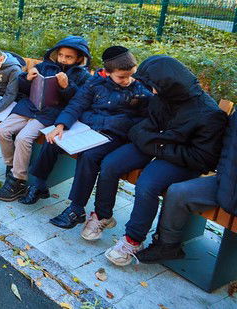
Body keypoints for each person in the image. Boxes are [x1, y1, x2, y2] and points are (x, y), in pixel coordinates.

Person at [86, 56, 228, 265]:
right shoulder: (162, 98)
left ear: (170, 86)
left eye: (154, 86)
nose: (150, 91)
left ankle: (133, 239)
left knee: (147, 183)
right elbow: (142, 127)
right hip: (158, 145)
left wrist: (158, 146)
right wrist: (156, 143)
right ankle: (102, 215)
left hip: (182, 159)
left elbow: (202, 158)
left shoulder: (208, 114)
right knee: (110, 163)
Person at [25, 46, 152, 230]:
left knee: (89, 156)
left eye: (130, 75)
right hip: (86, 128)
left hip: (112, 135)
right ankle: (39, 184)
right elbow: (77, 104)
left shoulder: (140, 91)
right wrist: (60, 125)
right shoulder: (95, 83)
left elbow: (141, 120)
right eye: (121, 77)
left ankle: (76, 209)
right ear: (107, 73)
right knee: (53, 139)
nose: (127, 80)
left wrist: (112, 124)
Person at [0, 36, 92, 202]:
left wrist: (66, 87)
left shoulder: (82, 76)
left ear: (79, 59)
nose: (63, 59)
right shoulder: (45, 66)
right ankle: (11, 166)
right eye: (61, 54)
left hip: (50, 113)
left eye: (69, 57)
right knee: (2, 130)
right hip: (29, 106)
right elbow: (24, 88)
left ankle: (18, 180)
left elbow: (77, 100)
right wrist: (27, 78)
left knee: (24, 138)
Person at [136, 110, 236, 263]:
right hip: (227, 181)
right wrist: (224, 178)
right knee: (178, 192)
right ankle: (167, 246)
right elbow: (227, 153)